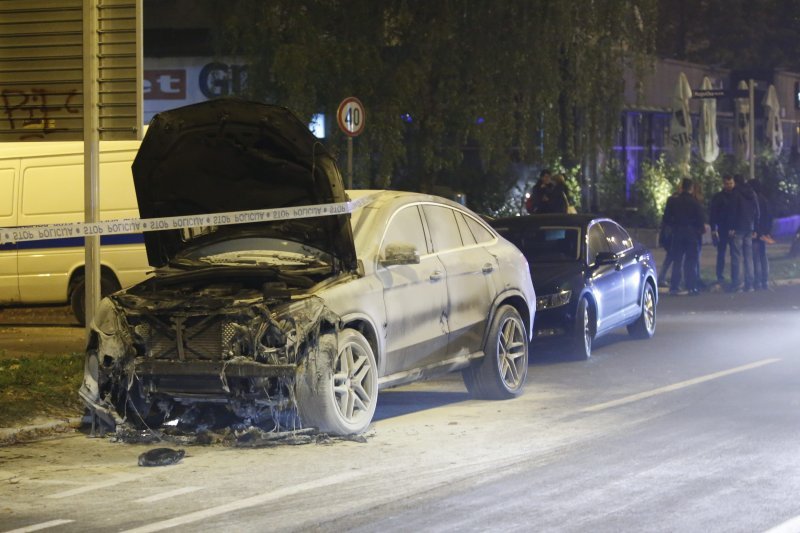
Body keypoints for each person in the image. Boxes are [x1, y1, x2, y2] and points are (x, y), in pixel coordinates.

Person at [662, 178, 705, 295]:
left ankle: (674, 286)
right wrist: (700, 230)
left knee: (677, 260)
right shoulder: (695, 203)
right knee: (691, 260)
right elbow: (700, 220)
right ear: (691, 188)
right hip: (691, 234)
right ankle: (691, 286)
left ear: (682, 187)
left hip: (678, 233)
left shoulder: (673, 201)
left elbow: (666, 218)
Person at [728, 174, 760, 292]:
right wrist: (755, 227)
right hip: (749, 227)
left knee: (737, 256)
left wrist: (731, 227)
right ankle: (750, 284)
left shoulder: (735, 193)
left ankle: (738, 284)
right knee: (748, 256)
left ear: (735, 182)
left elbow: (732, 211)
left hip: (738, 228)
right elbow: (757, 211)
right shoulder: (752, 193)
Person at [708, 174, 737, 286]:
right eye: (727, 184)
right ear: (723, 184)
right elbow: (713, 213)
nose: (729, 186)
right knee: (721, 254)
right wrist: (713, 229)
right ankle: (720, 276)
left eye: (731, 183)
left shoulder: (736, 196)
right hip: (722, 229)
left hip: (733, 229)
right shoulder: (719, 197)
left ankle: (734, 276)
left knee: (734, 254)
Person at [749, 178, 772, 290]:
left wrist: (756, 231)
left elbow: (754, 217)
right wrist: (767, 232)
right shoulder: (765, 200)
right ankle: (765, 281)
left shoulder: (753, 200)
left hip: (756, 232)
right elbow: (769, 217)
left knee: (756, 257)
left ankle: (757, 282)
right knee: (763, 256)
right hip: (764, 232)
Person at [657, 188, 679, 287]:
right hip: (672, 235)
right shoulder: (675, 202)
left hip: (668, 234)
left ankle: (662, 277)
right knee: (672, 257)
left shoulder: (670, 202)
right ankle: (664, 278)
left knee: (670, 257)